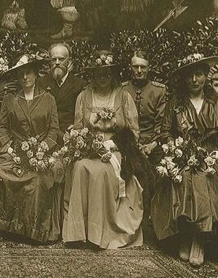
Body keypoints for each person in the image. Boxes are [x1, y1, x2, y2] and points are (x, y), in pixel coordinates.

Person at [151, 54, 218, 268]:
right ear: (184, 79)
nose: (194, 80)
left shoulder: (216, 103)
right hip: (181, 155)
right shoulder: (176, 103)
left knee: (204, 179)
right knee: (182, 177)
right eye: (190, 76)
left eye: (199, 74)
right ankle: (186, 235)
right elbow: (165, 132)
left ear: (206, 76)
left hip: (208, 156)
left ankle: (199, 240)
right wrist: (174, 147)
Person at [62, 50, 144, 248]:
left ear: (113, 74)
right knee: (80, 167)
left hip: (115, 150)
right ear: (93, 75)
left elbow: (134, 132)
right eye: (99, 74)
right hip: (89, 149)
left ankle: (99, 233)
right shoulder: (83, 97)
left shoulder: (123, 97)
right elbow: (78, 128)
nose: (103, 78)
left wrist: (113, 144)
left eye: (107, 74)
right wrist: (84, 142)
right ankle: (79, 232)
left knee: (101, 172)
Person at [0, 55, 61, 243]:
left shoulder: (48, 98)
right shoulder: (9, 99)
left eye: (29, 73)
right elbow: (2, 127)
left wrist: (42, 149)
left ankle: (32, 230)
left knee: (38, 179)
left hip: (40, 152)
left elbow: (53, 129)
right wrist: (8, 148)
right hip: (14, 150)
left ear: (36, 74)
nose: (25, 77)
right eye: (21, 74)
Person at [121, 51, 167, 163]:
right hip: (128, 142)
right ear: (130, 68)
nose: (139, 71)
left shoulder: (158, 90)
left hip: (152, 143)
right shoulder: (122, 89)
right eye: (136, 67)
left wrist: (153, 144)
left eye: (143, 67)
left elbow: (161, 122)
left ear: (149, 68)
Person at [36, 43, 86, 135]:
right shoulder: (40, 83)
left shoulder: (80, 84)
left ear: (69, 61)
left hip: (69, 133)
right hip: (45, 133)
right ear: (49, 61)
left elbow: (83, 114)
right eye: (54, 59)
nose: (57, 62)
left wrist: (76, 126)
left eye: (61, 59)